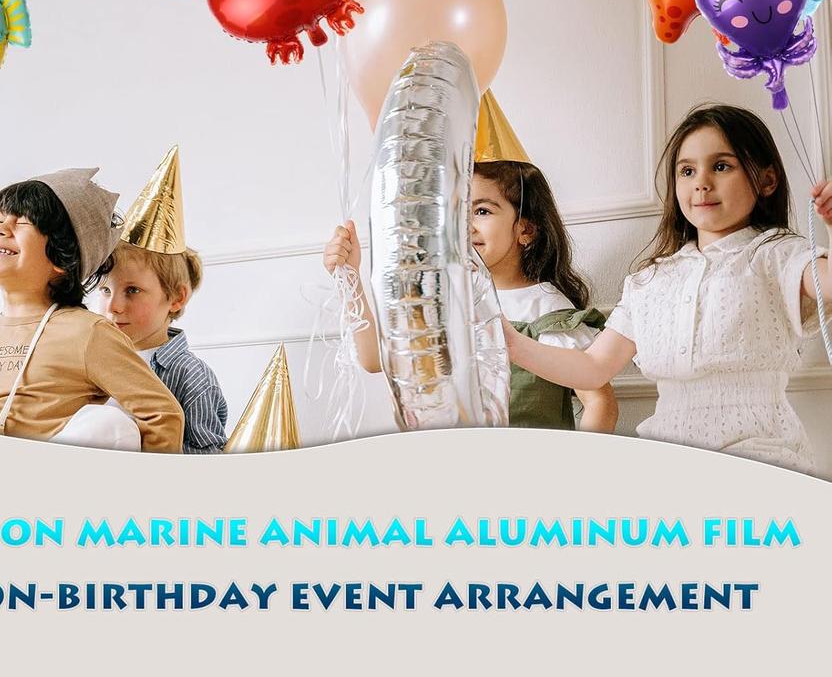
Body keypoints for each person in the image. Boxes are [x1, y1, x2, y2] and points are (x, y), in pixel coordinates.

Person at [506, 104, 832, 472]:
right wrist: (512, 343)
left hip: (760, 457)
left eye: (721, 166)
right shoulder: (651, 280)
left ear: (767, 181)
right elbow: (593, 367)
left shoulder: (778, 254)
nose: (701, 182)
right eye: (687, 171)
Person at [324, 160, 618, 432]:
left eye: (482, 211)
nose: (464, 226)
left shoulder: (546, 309)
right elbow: (373, 359)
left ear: (526, 229)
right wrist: (349, 277)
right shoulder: (441, 301)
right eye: (457, 212)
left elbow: (600, 403)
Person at [0, 168, 184, 453]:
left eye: (22, 222)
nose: (0, 229)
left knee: (109, 424)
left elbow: (162, 414)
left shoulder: (88, 333)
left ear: (60, 255)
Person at [99, 146, 227, 453]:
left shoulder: (191, 377)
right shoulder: (95, 359)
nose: (113, 306)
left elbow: (207, 456)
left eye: (132, 290)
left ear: (176, 298)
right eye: (105, 290)